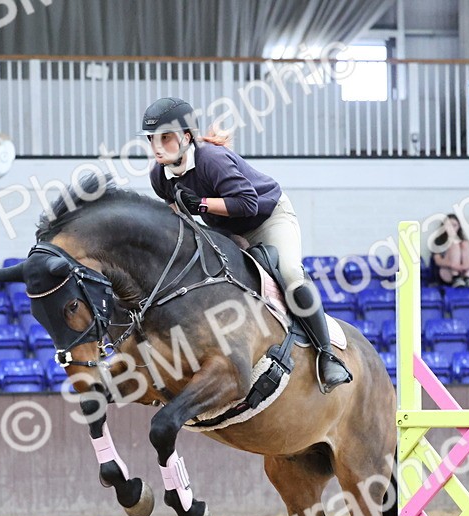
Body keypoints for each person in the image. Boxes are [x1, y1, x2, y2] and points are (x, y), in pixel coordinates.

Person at [140, 97, 352, 393]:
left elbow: (248, 203)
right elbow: (179, 220)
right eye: (152, 139)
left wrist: (202, 204)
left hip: (268, 218)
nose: (157, 146)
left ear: (186, 137)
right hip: (226, 229)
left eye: (165, 137)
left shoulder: (212, 160)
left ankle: (327, 356)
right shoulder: (159, 176)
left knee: (290, 275)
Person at [431, 213, 469, 288]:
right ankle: (456, 277)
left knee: (465, 243)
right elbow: (438, 261)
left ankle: (467, 278)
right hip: (447, 272)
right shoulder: (438, 242)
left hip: (464, 271)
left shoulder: (464, 241)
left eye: (454, 225)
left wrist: (464, 267)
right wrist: (454, 265)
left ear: (459, 226)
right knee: (455, 245)